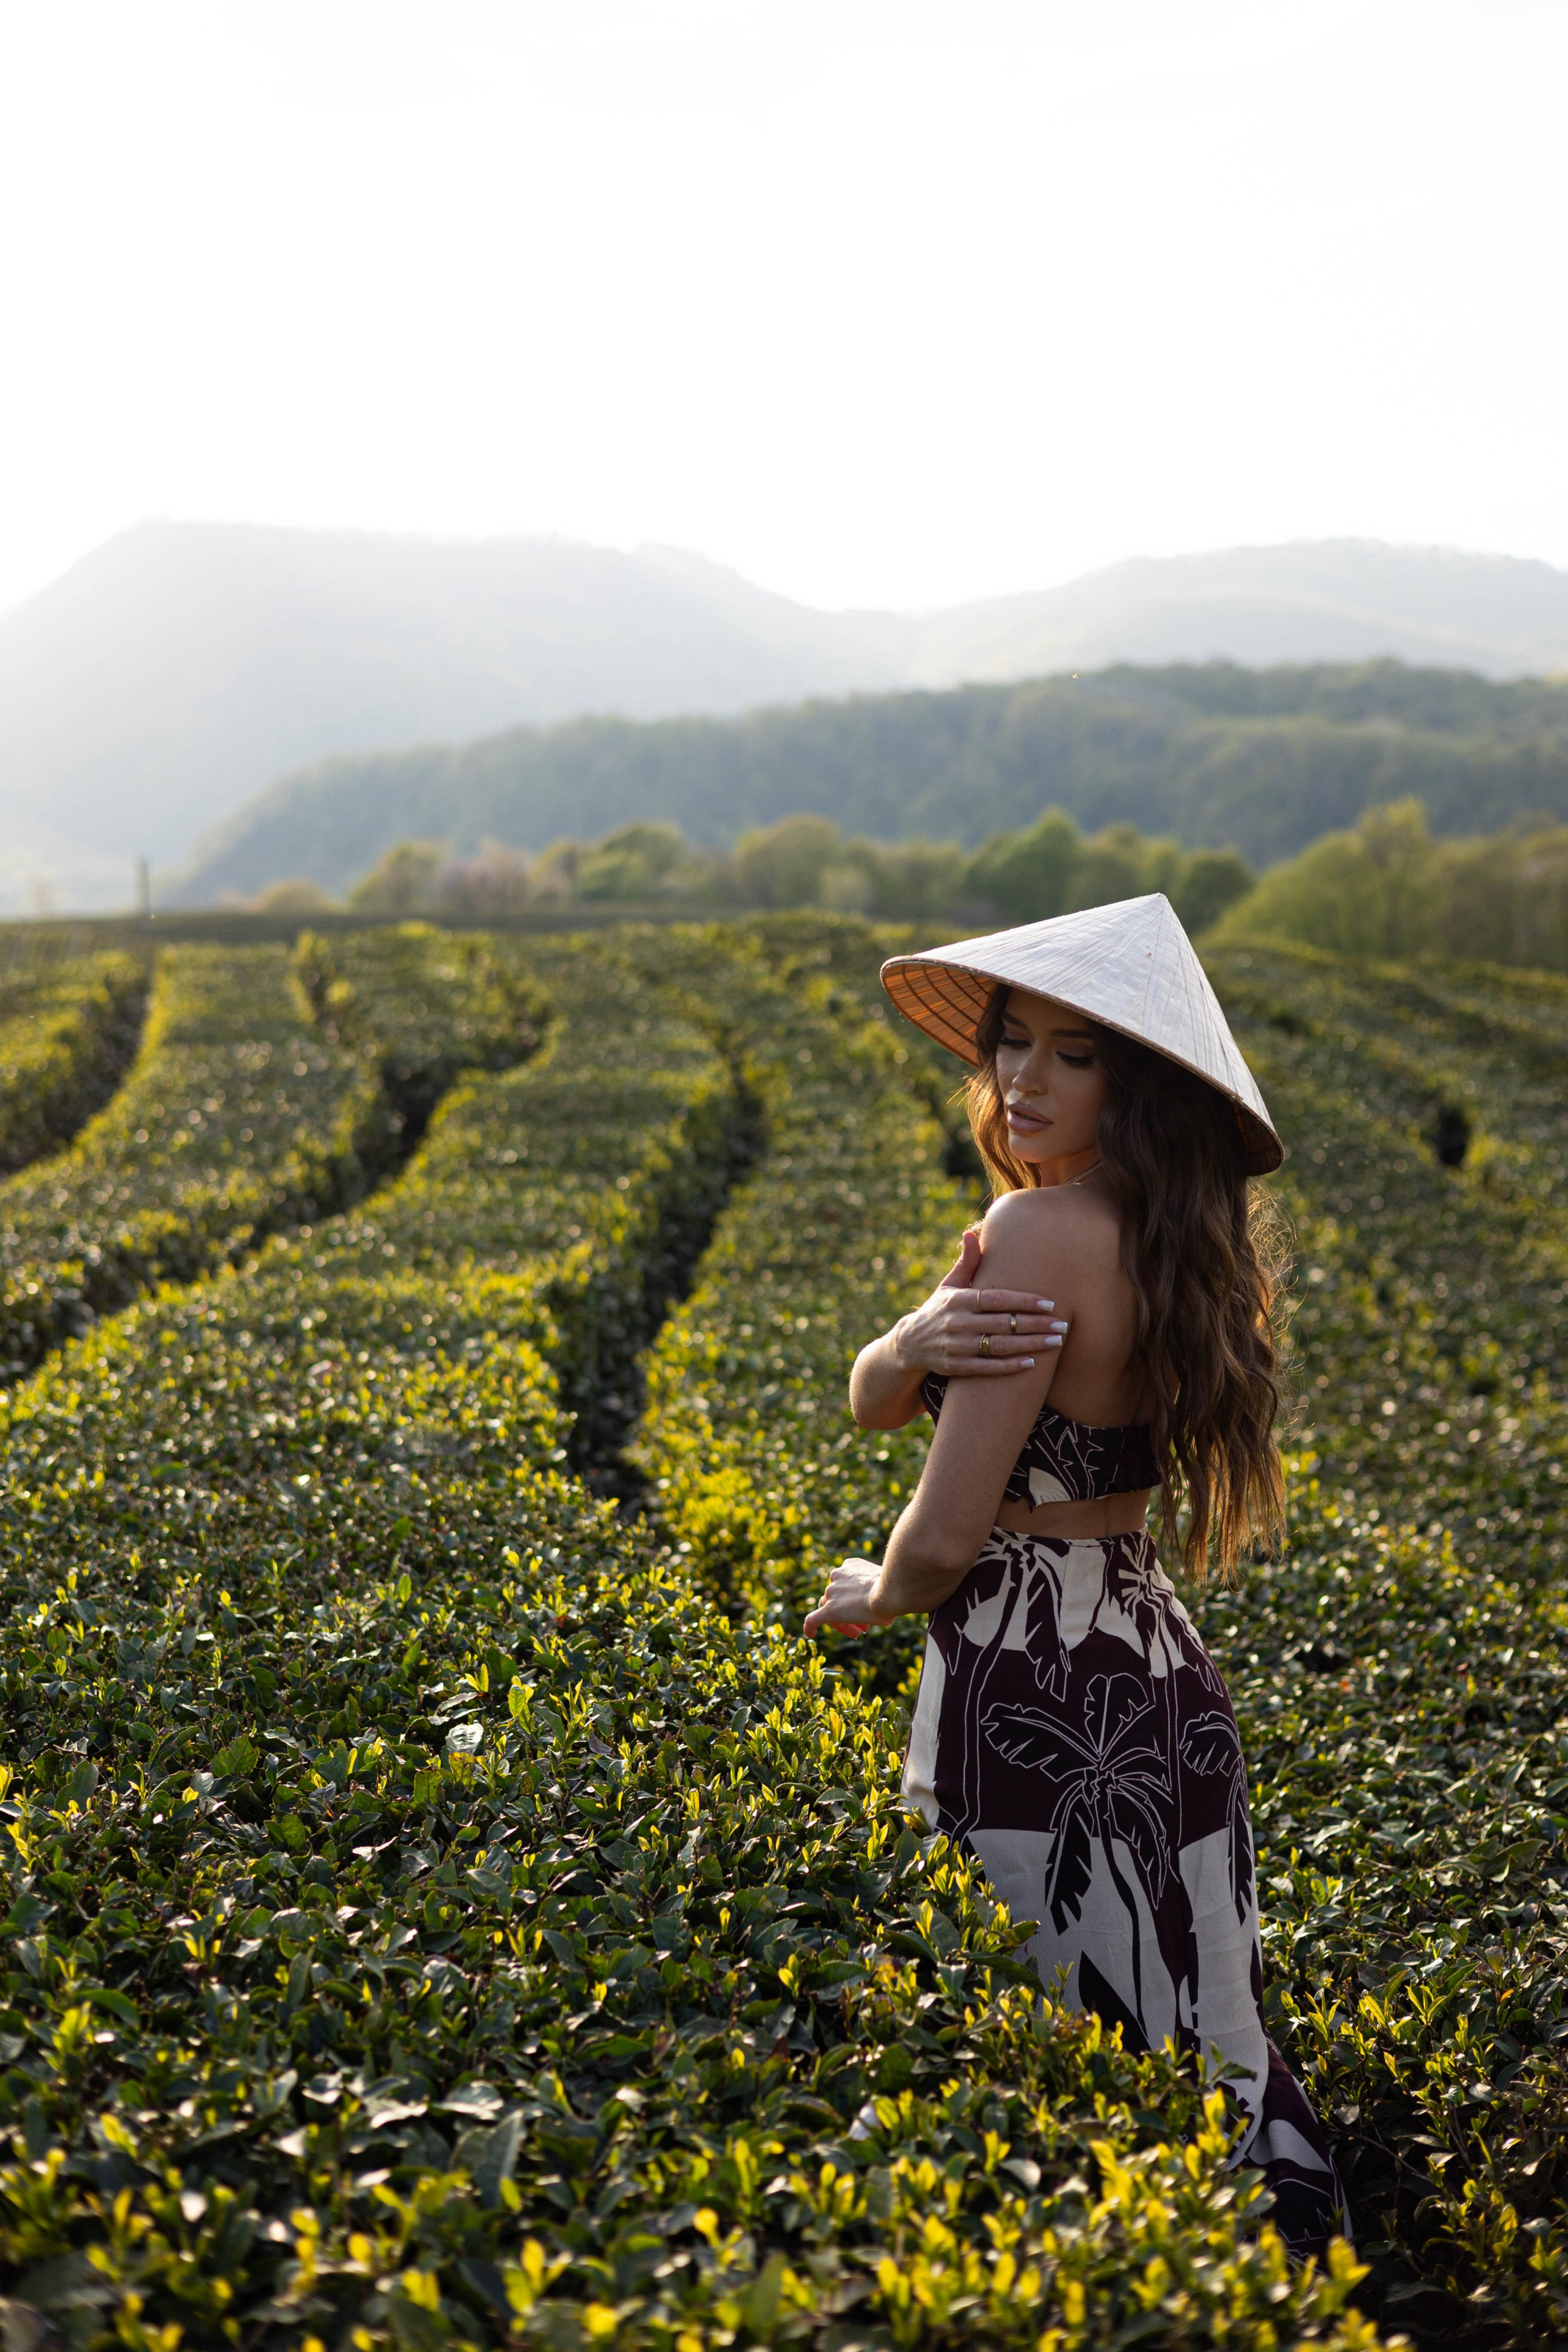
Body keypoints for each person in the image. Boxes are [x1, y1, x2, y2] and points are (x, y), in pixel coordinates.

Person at [804, 894, 1344, 2259]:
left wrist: (881, 1590)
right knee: (1205, 2052)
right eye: (1008, 1045)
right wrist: (917, 1327)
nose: (1021, 1079)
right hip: (1156, 1677)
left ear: (1138, 1082)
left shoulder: (1028, 1232)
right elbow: (882, 1394)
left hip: (1026, 1697)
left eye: (1071, 1052)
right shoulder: (1160, 1240)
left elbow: (941, 1529)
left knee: (1053, 2074)